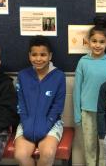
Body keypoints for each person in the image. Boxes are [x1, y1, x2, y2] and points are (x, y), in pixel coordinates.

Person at [14, 35, 66, 166]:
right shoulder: (22, 75)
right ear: (29, 56)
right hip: (26, 122)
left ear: (50, 56)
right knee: (20, 155)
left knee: (48, 153)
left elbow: (57, 107)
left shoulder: (59, 76)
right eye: (34, 55)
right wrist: (27, 123)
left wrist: (45, 125)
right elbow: (21, 104)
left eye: (43, 54)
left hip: (51, 123)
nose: (38, 58)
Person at [73, 16, 106, 166]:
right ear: (88, 41)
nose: (97, 45)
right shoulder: (83, 62)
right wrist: (77, 114)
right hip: (87, 112)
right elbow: (77, 90)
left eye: (102, 42)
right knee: (89, 146)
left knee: (104, 145)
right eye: (94, 41)